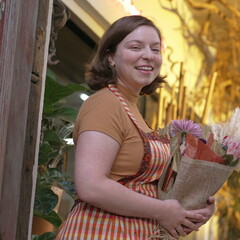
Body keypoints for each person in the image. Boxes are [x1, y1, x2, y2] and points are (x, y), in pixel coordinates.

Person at [56, 15, 215, 239]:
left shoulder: (134, 113)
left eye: (155, 49)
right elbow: (91, 185)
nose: (148, 56)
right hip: (100, 231)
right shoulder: (105, 104)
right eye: (135, 46)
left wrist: (189, 210)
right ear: (111, 57)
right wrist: (163, 210)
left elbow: (144, 192)